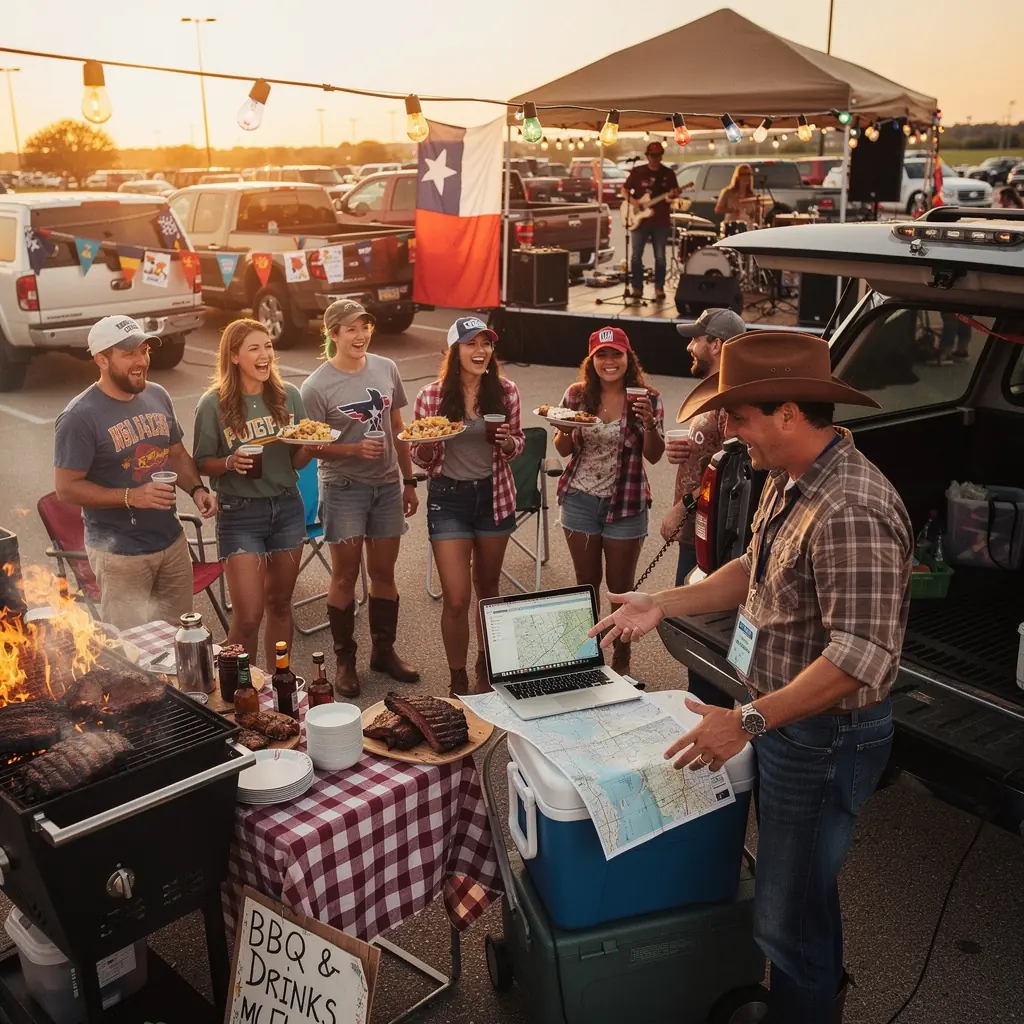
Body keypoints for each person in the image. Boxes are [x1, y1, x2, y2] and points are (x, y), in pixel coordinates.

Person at [592, 331, 912, 1024]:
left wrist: (745, 721)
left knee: (785, 920)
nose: (727, 431)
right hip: (788, 723)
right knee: (800, 895)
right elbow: (750, 573)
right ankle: (813, 1000)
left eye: (739, 417)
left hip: (822, 737)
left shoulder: (851, 507)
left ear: (790, 414)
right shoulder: (791, 475)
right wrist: (662, 602)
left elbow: (861, 657)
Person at [53, 315, 216, 629]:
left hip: (171, 541)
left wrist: (197, 490)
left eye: (144, 351)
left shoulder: (157, 395)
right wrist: (131, 496)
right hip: (120, 555)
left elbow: (176, 454)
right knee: (134, 654)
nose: (141, 360)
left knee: (181, 639)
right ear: (101, 359)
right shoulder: (79, 417)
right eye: (129, 354)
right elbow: (66, 488)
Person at [300, 300, 419, 698]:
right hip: (343, 488)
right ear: (332, 334)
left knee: (384, 574)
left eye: (365, 326)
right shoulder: (316, 386)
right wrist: (351, 451)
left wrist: (409, 480)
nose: (360, 335)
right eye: (350, 328)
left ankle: (384, 652)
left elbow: (397, 426)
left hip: (387, 486)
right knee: (345, 576)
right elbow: (310, 446)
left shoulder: (386, 368)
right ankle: (345, 660)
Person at [193, 318, 319, 668]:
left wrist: (312, 447)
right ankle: (233, 693)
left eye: (268, 347)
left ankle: (279, 684)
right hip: (239, 513)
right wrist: (230, 462)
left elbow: (297, 459)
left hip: (287, 508)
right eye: (255, 348)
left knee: (280, 604)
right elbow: (202, 461)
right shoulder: (212, 403)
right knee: (248, 615)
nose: (265, 355)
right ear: (234, 356)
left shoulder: (288, 396)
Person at [412, 317, 525, 696]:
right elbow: (421, 453)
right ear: (454, 351)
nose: (480, 351)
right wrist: (428, 444)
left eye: (486, 344)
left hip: (494, 495)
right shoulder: (430, 396)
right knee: (457, 597)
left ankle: (485, 664)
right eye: (470, 344)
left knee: (488, 587)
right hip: (449, 499)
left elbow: (518, 446)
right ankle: (457, 676)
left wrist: (508, 443)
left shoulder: (506, 392)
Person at [553, 326, 664, 676]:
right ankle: (586, 658)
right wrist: (564, 428)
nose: (609, 361)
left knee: (620, 590)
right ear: (592, 360)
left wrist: (649, 424)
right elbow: (563, 449)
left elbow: (655, 456)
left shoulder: (647, 397)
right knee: (585, 584)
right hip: (580, 500)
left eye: (615, 354)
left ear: (627, 357)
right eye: (601, 355)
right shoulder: (576, 395)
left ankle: (621, 659)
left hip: (627, 503)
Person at [621, 141, 680, 303]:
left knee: (660, 256)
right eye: (653, 155)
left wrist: (674, 195)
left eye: (658, 155)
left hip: (660, 220)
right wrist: (635, 203)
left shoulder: (668, 174)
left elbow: (674, 195)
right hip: (639, 220)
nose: (655, 158)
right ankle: (637, 287)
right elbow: (624, 190)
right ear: (647, 156)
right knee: (635, 256)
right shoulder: (638, 172)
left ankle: (659, 287)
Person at [715, 163, 764, 229]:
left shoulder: (752, 195)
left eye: (749, 174)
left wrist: (758, 210)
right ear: (738, 176)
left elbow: (756, 218)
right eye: (744, 174)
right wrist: (732, 210)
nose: (747, 177)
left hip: (748, 228)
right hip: (732, 225)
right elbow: (718, 209)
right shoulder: (728, 192)